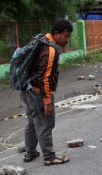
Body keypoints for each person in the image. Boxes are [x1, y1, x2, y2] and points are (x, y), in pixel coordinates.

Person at [22, 19, 72, 166]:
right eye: (66, 36)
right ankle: (49, 157)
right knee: (45, 123)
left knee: (32, 121)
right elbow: (44, 78)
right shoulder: (50, 50)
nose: (67, 39)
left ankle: (30, 153)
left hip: (27, 88)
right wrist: (47, 101)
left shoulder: (41, 39)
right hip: (38, 91)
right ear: (56, 34)